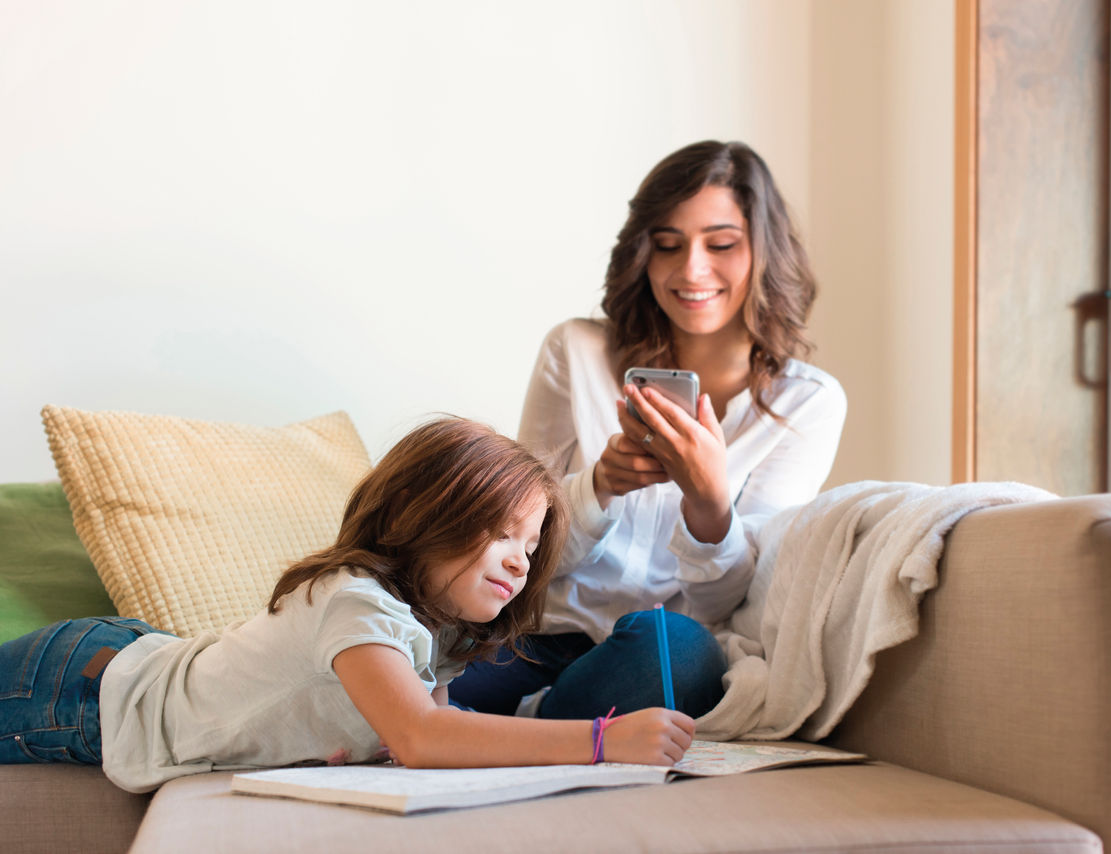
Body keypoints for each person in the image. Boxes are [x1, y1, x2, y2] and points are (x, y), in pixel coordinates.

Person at [0, 417, 694, 793]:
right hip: (85, 688)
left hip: (133, 658)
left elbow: (429, 730)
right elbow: (423, 737)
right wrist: (602, 741)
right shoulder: (356, 602)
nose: (521, 558)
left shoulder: (438, 631)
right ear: (425, 516)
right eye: (501, 533)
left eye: (531, 543)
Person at [450, 140, 847, 721]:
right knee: (388, 674)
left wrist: (709, 502)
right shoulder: (575, 352)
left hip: (654, 651)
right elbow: (516, 551)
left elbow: (733, 600)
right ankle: (535, 721)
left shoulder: (805, 403)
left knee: (679, 652)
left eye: (721, 245)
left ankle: (529, 724)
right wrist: (599, 485)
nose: (691, 270)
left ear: (764, 251)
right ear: (644, 253)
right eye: (668, 245)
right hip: (533, 635)